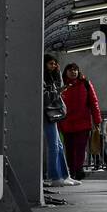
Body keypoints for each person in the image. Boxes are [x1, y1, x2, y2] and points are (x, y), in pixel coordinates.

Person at [60, 63, 102, 180]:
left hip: (82, 123)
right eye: (70, 70)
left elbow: (94, 102)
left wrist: (97, 120)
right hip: (66, 123)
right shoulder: (61, 84)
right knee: (69, 148)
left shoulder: (86, 84)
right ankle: (72, 170)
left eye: (75, 70)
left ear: (78, 72)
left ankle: (78, 170)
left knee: (80, 148)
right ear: (66, 72)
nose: (73, 72)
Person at [42, 56, 77, 187]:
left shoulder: (51, 76)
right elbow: (45, 97)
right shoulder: (42, 77)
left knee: (59, 145)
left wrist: (58, 73)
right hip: (46, 112)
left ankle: (64, 175)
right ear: (44, 64)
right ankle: (54, 176)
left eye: (55, 64)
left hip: (51, 112)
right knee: (53, 145)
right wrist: (58, 91)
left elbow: (58, 87)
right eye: (51, 64)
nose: (54, 66)